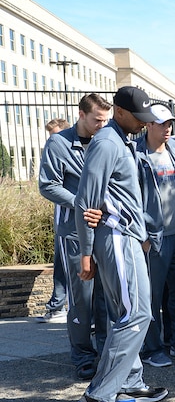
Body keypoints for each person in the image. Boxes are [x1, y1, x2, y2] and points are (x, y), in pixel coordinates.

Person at [74, 86, 168, 402]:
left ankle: (128, 382)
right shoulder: (106, 143)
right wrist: (86, 253)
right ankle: (97, 397)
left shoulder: (122, 140)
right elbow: (86, 200)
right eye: (139, 118)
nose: (144, 124)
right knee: (135, 313)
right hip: (115, 238)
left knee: (128, 313)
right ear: (119, 111)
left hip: (126, 237)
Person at [39, 100, 109, 379]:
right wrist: (82, 204)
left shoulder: (106, 140)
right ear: (81, 115)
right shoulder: (58, 143)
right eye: (97, 120)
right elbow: (48, 185)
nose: (102, 126)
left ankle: (106, 353)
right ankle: (83, 356)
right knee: (82, 300)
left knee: (108, 298)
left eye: (105, 120)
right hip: (74, 235)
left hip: (106, 231)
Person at [135, 104, 175, 366]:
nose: (167, 128)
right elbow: (131, 198)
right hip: (154, 238)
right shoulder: (135, 154)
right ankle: (153, 349)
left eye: (169, 123)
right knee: (151, 296)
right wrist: (142, 234)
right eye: (161, 123)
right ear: (148, 124)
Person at [40, 117, 71, 323]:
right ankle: (57, 305)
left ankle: (58, 305)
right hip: (64, 215)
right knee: (62, 262)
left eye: (55, 136)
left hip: (70, 217)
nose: (51, 142)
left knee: (63, 263)